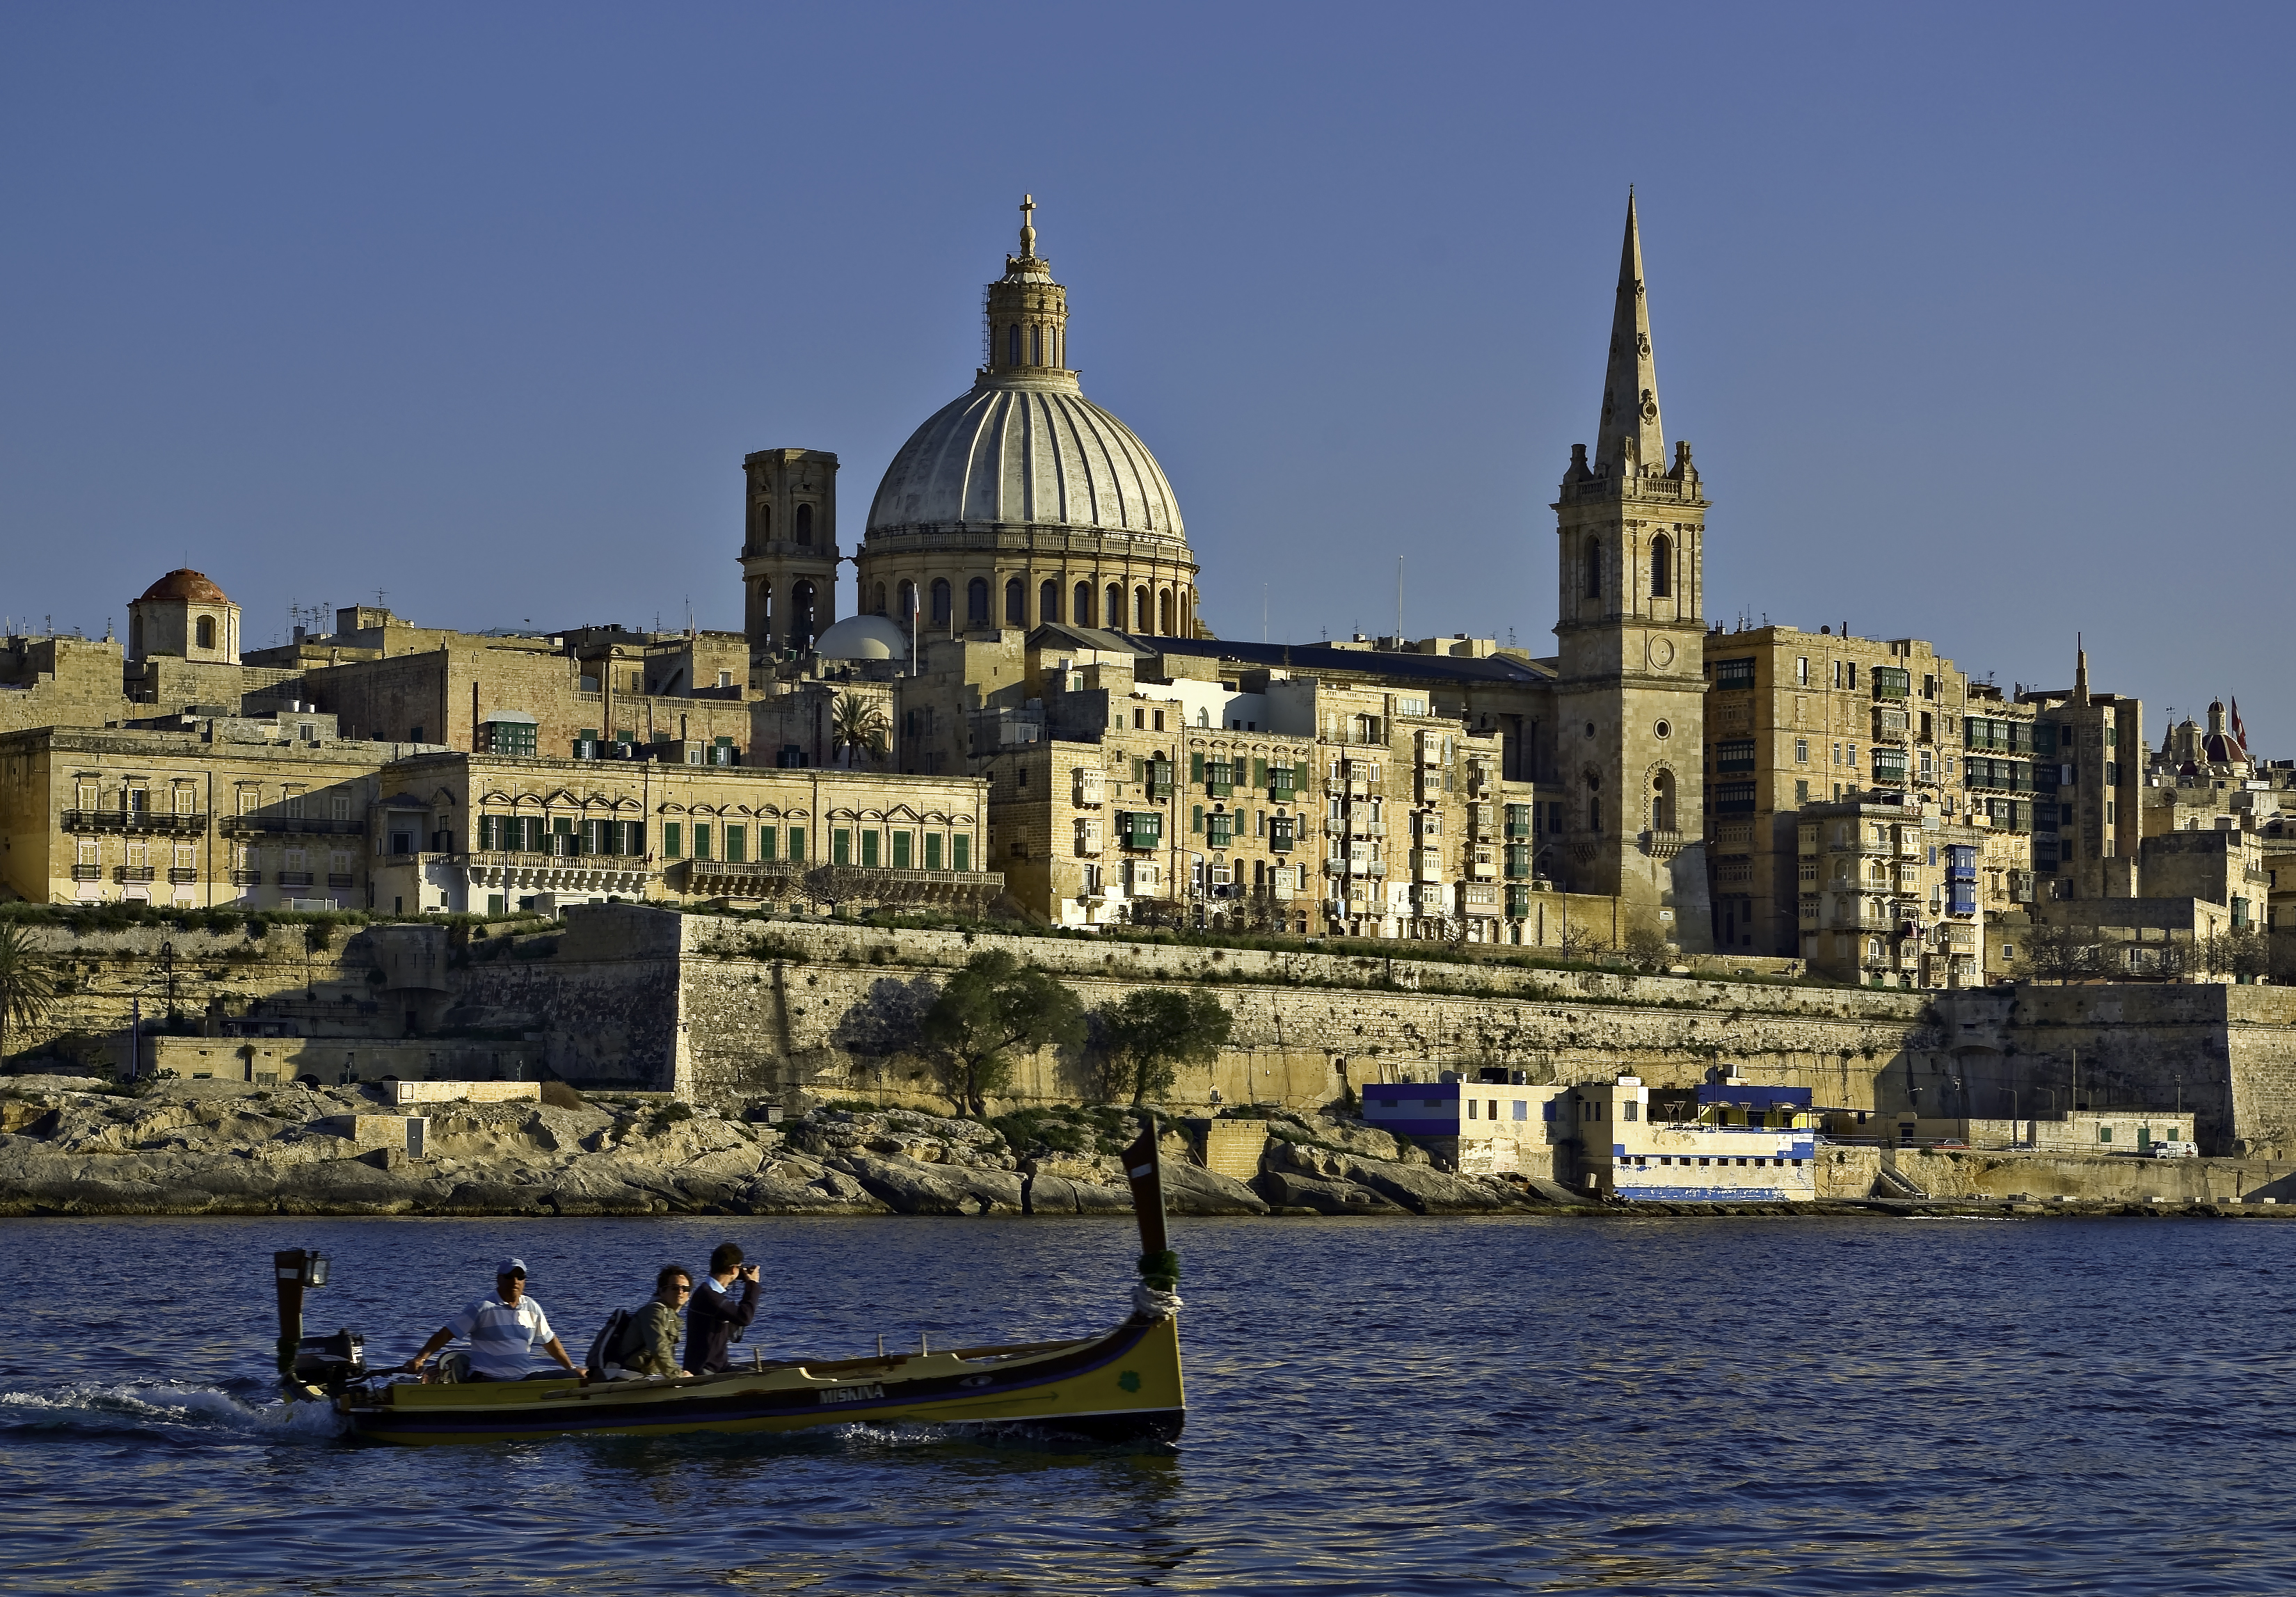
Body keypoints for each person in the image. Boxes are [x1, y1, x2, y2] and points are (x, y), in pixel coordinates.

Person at [406, 1258, 582, 1383]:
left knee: (577, 1378)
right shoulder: (482, 1308)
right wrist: (420, 1358)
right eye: (509, 1276)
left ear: (524, 1281)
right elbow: (446, 1334)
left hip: (523, 1379)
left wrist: (572, 1368)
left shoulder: (532, 1307)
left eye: (520, 1277)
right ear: (499, 1279)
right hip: (488, 1381)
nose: (515, 1281)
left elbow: (549, 1341)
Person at [685, 1242, 760, 1373]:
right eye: (740, 1268)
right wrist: (752, 1285)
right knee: (754, 1379)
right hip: (703, 1370)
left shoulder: (707, 1292)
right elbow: (744, 1317)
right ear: (733, 1270)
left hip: (718, 1367)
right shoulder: (709, 1297)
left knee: (753, 1375)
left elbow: (736, 1328)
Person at [615, 1265, 692, 1379]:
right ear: (662, 1291)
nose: (681, 1292)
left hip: (647, 1374)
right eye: (675, 1288)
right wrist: (678, 1376)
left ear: (689, 1295)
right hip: (631, 1375)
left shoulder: (668, 1314)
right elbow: (659, 1348)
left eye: (685, 1289)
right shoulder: (655, 1312)